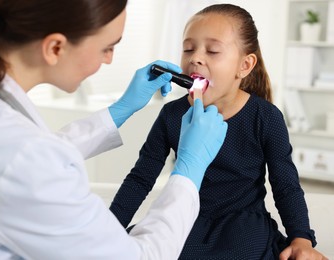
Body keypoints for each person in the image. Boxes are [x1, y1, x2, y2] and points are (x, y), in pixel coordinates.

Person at [0, 1, 229, 259]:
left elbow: (39, 156)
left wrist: (119, 111)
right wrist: (188, 171)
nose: (109, 60)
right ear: (55, 47)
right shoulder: (22, 157)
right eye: (107, 47)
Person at [110, 4, 328, 260]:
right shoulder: (171, 115)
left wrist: (301, 238)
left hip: (242, 222)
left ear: (244, 66)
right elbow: (141, 178)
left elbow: (286, 185)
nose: (195, 58)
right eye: (188, 49)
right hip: (187, 216)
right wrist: (109, 230)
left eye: (212, 51)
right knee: (142, 245)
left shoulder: (266, 117)